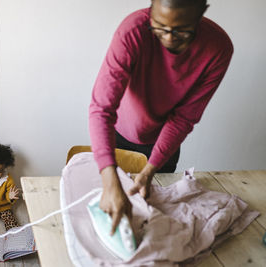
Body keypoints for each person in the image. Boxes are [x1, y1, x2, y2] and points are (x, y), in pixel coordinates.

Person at [89, 0, 233, 235]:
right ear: (150, 11)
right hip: (115, 135)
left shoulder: (218, 48)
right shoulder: (132, 31)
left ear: (201, 13)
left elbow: (184, 118)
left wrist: (149, 170)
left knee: (153, 219)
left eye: (182, 30)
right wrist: (108, 177)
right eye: (159, 27)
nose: (168, 38)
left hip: (164, 145)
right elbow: (101, 108)